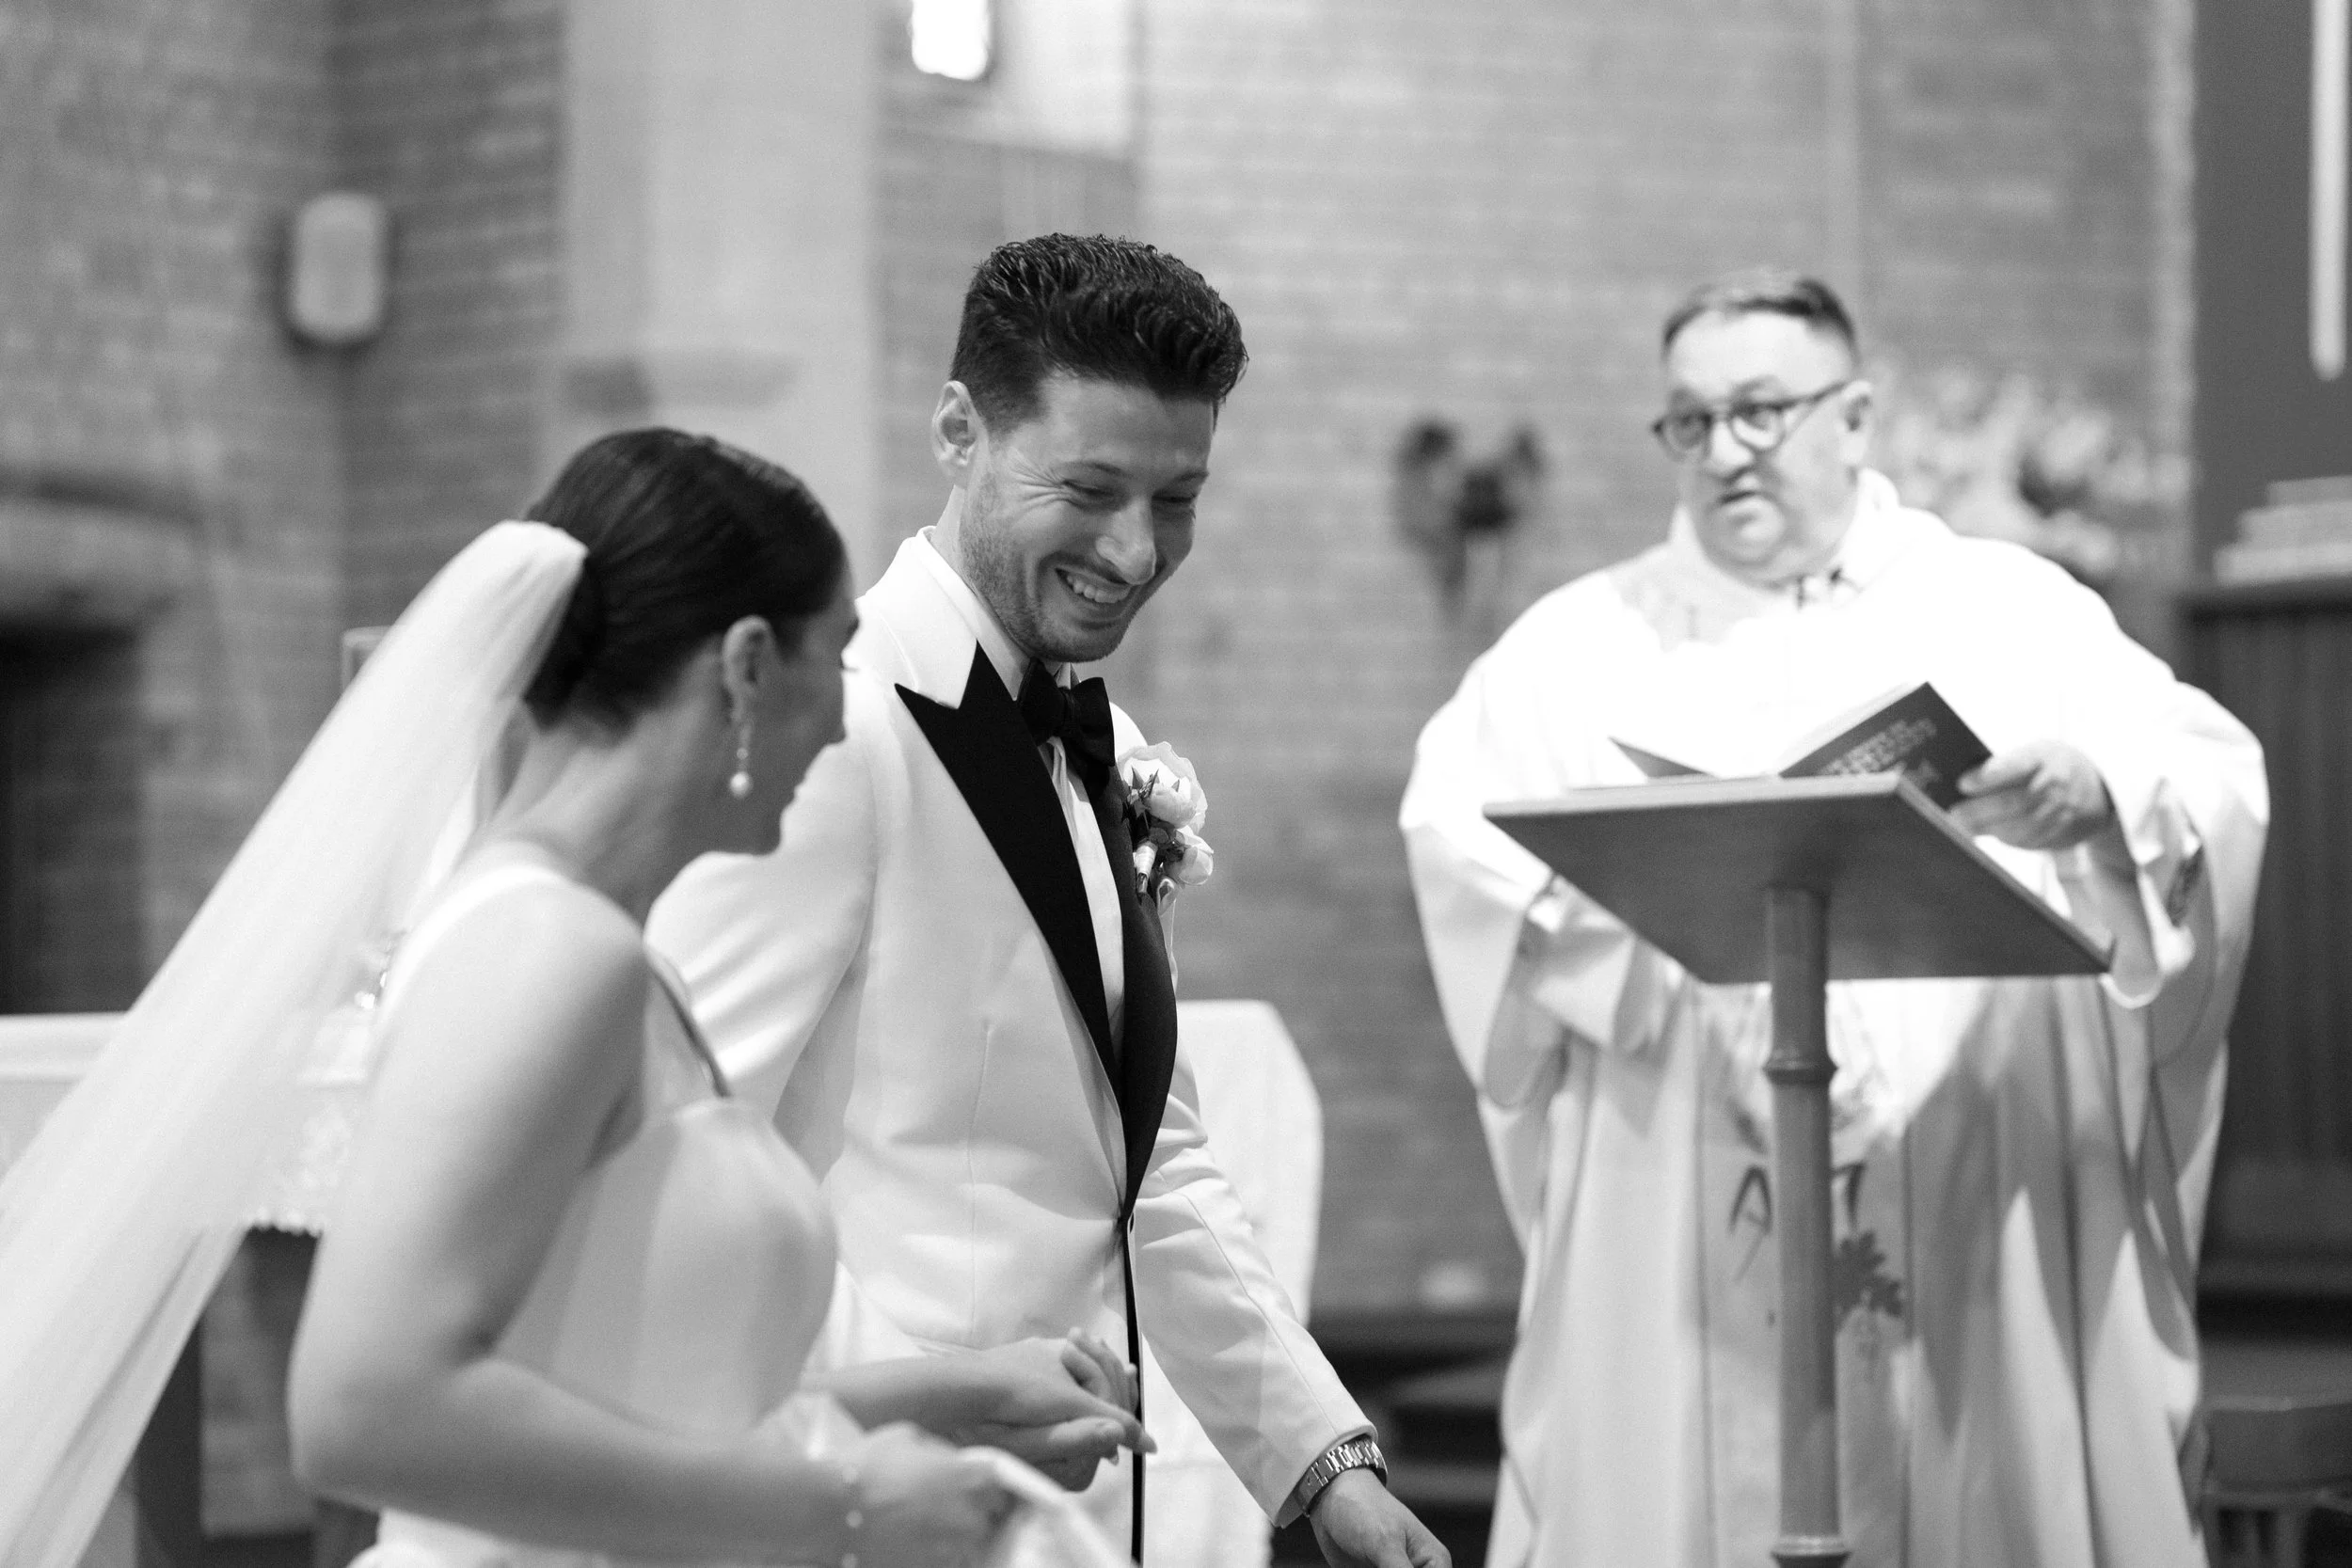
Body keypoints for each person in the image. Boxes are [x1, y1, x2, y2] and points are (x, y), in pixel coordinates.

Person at [0, 429, 1140, 1568]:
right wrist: (839, 1502)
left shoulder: (586, 941)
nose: (846, 719)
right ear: (746, 666)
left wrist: (954, 1393)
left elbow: (625, 1381)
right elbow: (365, 1410)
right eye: (833, 662)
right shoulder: (548, 949)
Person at [1399, 272, 2266, 1568]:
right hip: (1687, 1176)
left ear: (1855, 416)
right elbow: (1461, 842)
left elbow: (2207, 776)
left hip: (1974, 1184)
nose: (1723, 451)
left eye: (1759, 409)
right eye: (1688, 423)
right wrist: (1635, 903)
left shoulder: (2008, 609)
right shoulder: (1570, 648)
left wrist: (2096, 802)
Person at [648, 235, 1450, 1568]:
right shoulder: (826, 735)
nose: (1137, 550)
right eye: (1090, 487)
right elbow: (677, 1158)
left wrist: (1324, 1464)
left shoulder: (1102, 742)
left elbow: (1149, 1164)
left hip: (1064, 1518)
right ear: (960, 429)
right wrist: (916, 1402)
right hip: (864, 1501)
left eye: (1179, 498)